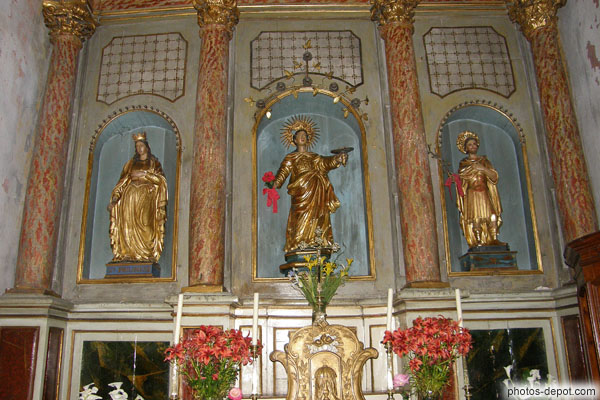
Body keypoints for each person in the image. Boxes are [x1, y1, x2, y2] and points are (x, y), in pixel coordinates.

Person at [272, 127, 347, 252]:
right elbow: (283, 172)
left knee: (316, 218)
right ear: (294, 140)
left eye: (305, 135)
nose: (302, 136)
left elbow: (325, 163)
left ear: (308, 139)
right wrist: (275, 184)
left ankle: (314, 243)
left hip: (316, 191)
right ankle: (298, 244)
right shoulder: (291, 157)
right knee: (299, 218)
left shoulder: (314, 157)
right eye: (299, 135)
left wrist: (337, 158)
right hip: (300, 194)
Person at [108, 132, 168, 263]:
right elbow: (122, 182)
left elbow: (161, 181)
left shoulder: (153, 163)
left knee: (146, 224)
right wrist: (114, 199)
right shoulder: (130, 164)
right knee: (127, 224)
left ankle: (146, 254)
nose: (139, 148)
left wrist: (144, 175)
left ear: (147, 147)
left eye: (141, 145)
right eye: (137, 146)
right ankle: (127, 254)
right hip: (129, 197)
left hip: (146, 197)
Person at [456, 130, 504, 248]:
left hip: (484, 192)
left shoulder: (484, 161)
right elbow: (462, 177)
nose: (472, 146)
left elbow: (494, 177)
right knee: (475, 218)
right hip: (472, 193)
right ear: (466, 148)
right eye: (469, 145)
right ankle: (478, 241)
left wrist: (482, 168)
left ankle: (493, 238)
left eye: (474, 144)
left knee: (492, 216)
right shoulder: (464, 164)